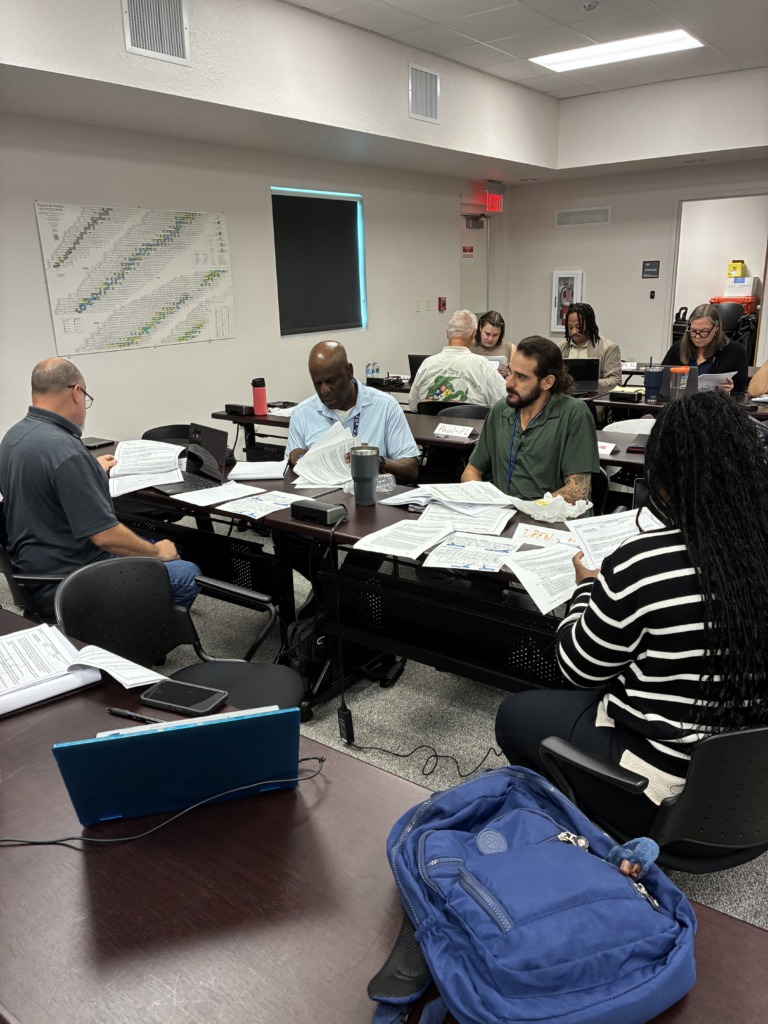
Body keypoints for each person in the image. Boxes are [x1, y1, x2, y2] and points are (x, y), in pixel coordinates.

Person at [495, 391, 768, 837]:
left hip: (658, 794)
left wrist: (586, 589)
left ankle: (588, 830)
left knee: (516, 715)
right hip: (751, 792)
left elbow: (578, 669)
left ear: (662, 476)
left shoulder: (645, 559)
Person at [0, 358, 201, 619]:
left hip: (34, 569)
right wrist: (156, 553)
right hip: (73, 580)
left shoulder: (13, 438)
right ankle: (130, 632)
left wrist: (89, 469)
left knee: (153, 542)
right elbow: (105, 536)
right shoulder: (66, 452)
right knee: (187, 574)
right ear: (76, 392)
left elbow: (41, 485)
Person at [461, 336, 599, 503]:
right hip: (505, 513)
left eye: (521, 377)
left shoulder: (574, 413)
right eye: (510, 372)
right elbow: (471, 472)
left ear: (547, 382)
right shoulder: (501, 411)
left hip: (553, 516)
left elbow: (576, 492)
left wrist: (526, 510)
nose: (508, 383)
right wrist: (486, 503)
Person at [288, 341, 419, 483]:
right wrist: (295, 458)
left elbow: (411, 470)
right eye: (317, 383)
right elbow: (289, 470)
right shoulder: (302, 413)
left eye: (331, 381)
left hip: (370, 493)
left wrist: (377, 461)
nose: (324, 390)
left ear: (349, 372)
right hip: (321, 494)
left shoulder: (385, 406)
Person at [408, 309, 506, 411]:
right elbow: (504, 401)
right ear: (474, 334)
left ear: (447, 332)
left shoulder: (427, 364)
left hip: (430, 422)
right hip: (472, 421)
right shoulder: (483, 365)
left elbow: (413, 405)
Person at [661, 303, 748, 393]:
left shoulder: (735, 351)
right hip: (680, 400)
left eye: (704, 331)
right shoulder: (678, 347)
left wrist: (730, 390)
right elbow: (661, 379)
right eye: (693, 331)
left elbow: (740, 392)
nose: (697, 337)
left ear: (716, 328)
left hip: (715, 401)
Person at [558, 302, 621, 393]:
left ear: (589, 324)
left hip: (593, 398)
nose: (574, 332)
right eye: (570, 327)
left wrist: (589, 384)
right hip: (565, 397)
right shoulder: (559, 348)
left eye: (579, 327)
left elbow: (615, 381)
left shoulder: (609, 348)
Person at [470, 311, 515, 377]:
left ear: (501, 333)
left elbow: (519, 378)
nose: (490, 339)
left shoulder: (510, 348)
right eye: (487, 334)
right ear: (480, 328)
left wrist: (508, 373)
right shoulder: (468, 346)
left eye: (495, 335)